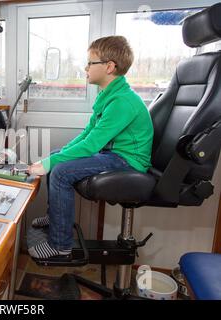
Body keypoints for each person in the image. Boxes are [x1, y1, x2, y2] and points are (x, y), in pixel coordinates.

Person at [27, 36, 154, 260]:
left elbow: (92, 145)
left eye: (90, 62)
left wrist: (50, 165)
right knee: (57, 156)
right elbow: (88, 135)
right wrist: (55, 157)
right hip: (113, 154)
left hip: (128, 161)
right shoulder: (109, 95)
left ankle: (60, 245)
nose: (85, 68)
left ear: (109, 66)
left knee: (60, 171)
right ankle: (54, 216)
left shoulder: (122, 102)